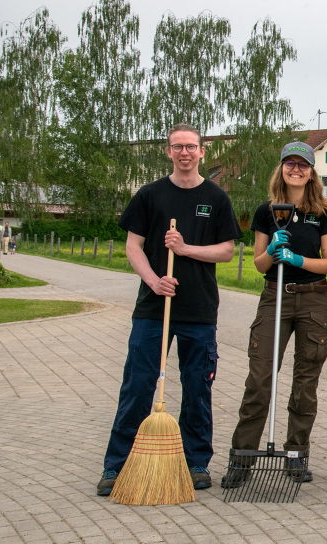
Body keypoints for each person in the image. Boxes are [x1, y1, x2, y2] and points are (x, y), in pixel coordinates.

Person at [97, 123, 241, 496]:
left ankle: (195, 462)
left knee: (197, 389)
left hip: (198, 310)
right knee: (138, 386)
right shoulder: (150, 195)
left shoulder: (216, 198)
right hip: (152, 309)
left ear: (202, 151)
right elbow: (133, 247)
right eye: (178, 147)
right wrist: (153, 280)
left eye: (191, 147)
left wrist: (186, 249)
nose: (185, 153)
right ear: (168, 151)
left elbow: (226, 250)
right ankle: (118, 465)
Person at [221, 142, 327, 488]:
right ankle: (242, 458)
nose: (297, 170)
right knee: (259, 379)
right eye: (291, 164)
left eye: (303, 165)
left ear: (312, 171)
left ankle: (296, 455)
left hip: (315, 300)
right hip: (275, 297)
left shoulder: (324, 212)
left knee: (305, 383)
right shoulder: (266, 212)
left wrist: (299, 260)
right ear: (282, 168)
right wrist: (273, 251)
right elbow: (258, 263)